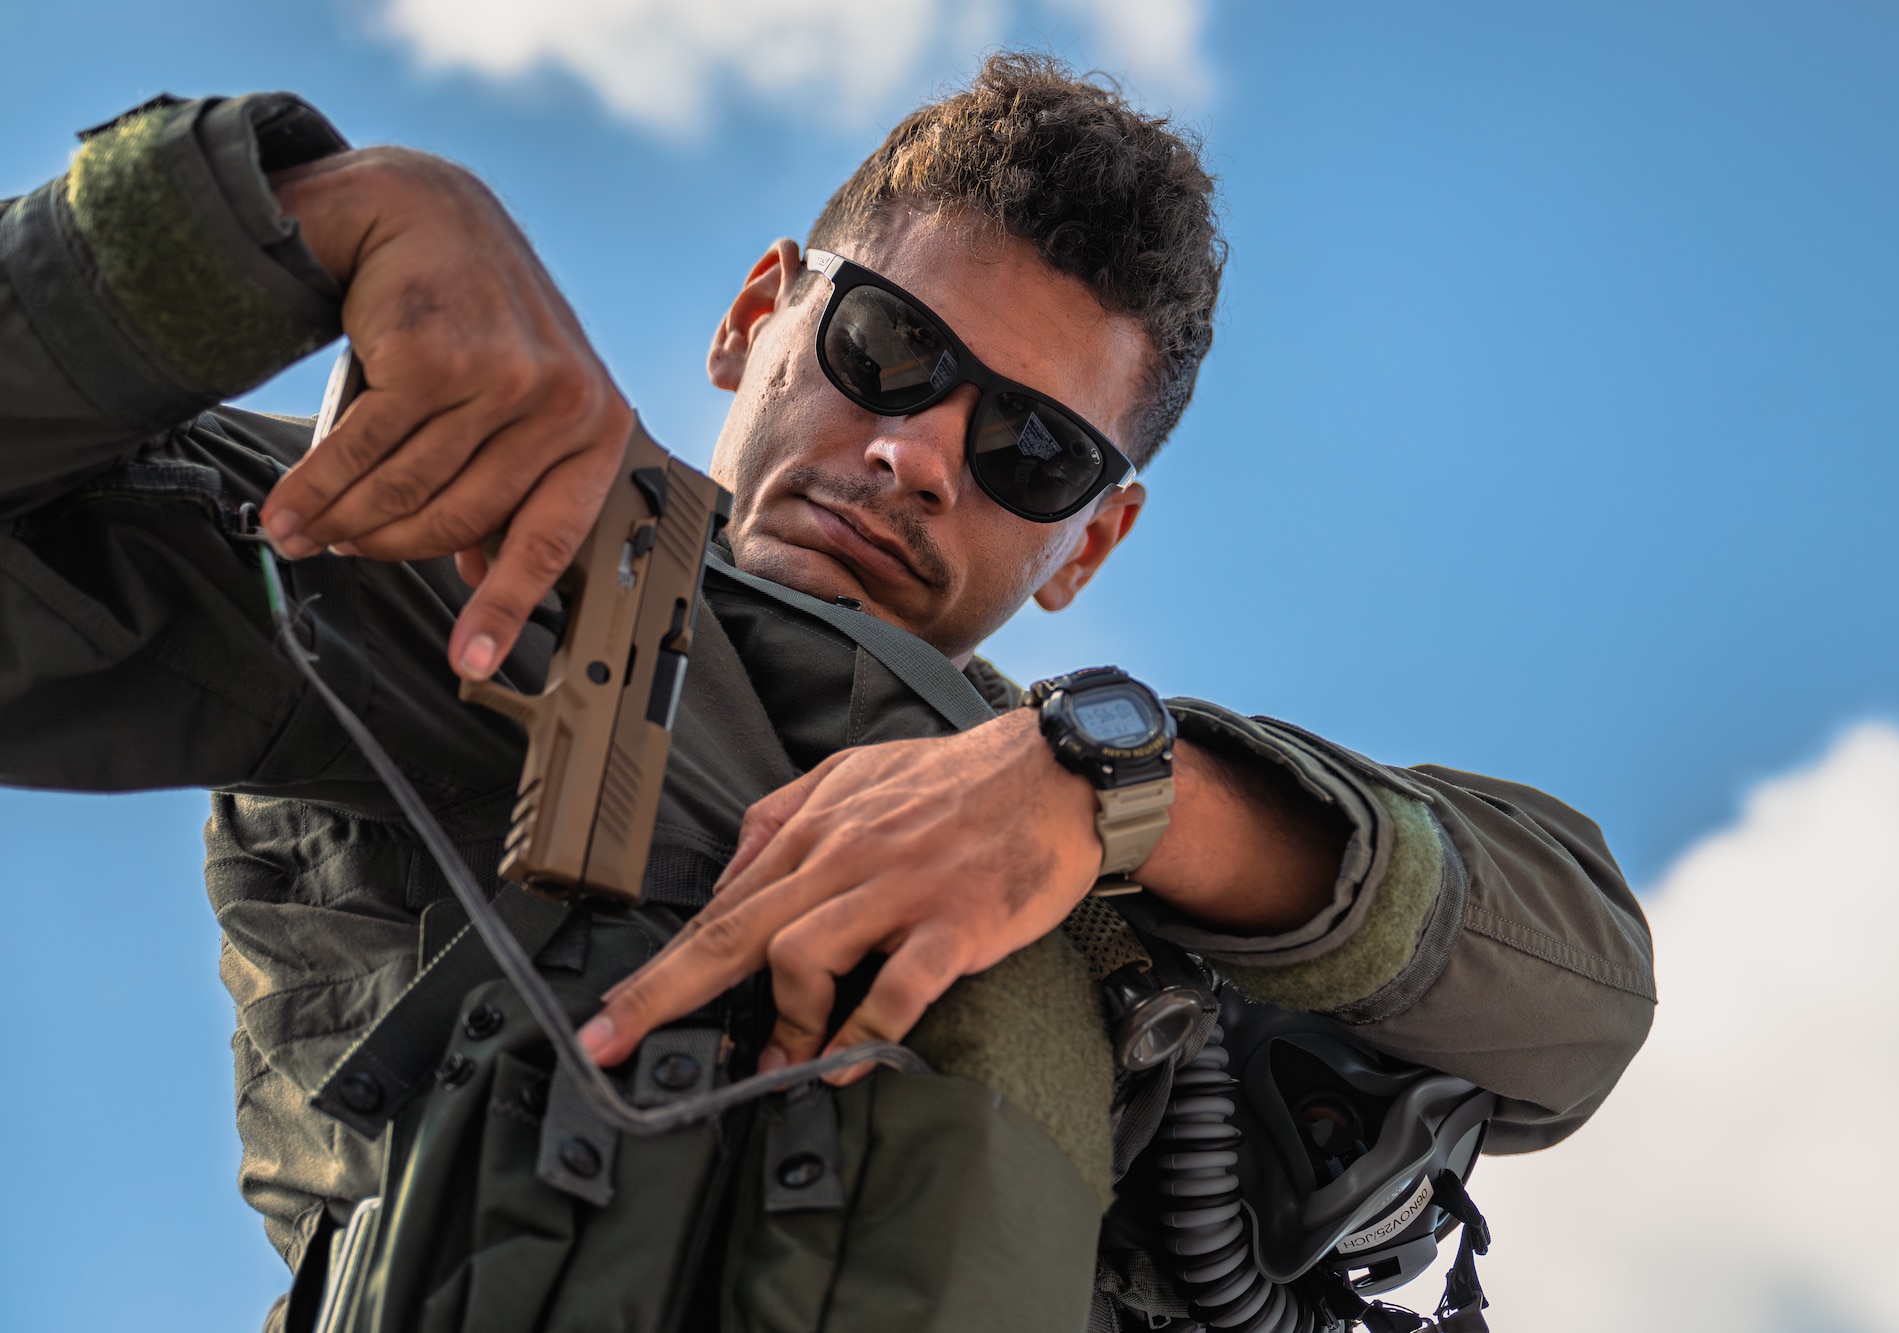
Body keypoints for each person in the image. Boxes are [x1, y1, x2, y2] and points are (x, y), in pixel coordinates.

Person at [0, 53, 1655, 1330]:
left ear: (1092, 542)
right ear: (753, 319)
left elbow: (1580, 988)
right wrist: (302, 216)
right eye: (886, 348)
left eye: (1028, 449)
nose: (914, 455)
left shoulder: (1137, 874)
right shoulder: (479, 564)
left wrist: (1112, 789)